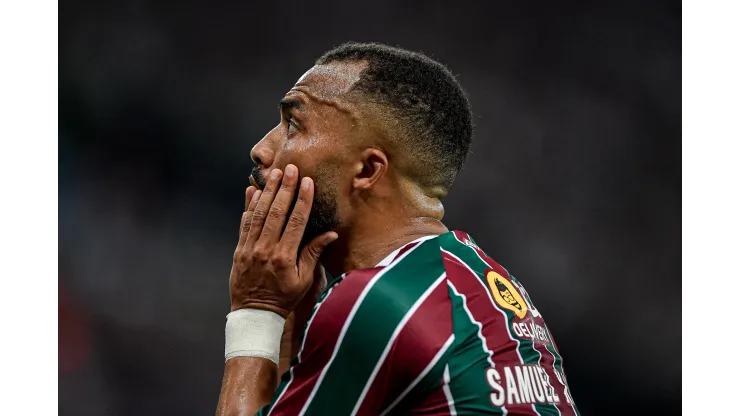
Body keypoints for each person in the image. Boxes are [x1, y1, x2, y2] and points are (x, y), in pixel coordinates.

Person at [216, 42, 580, 416]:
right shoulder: (476, 286)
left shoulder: (376, 302)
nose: (261, 149)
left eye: (293, 125)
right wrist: (296, 311)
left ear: (367, 171)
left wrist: (256, 308)